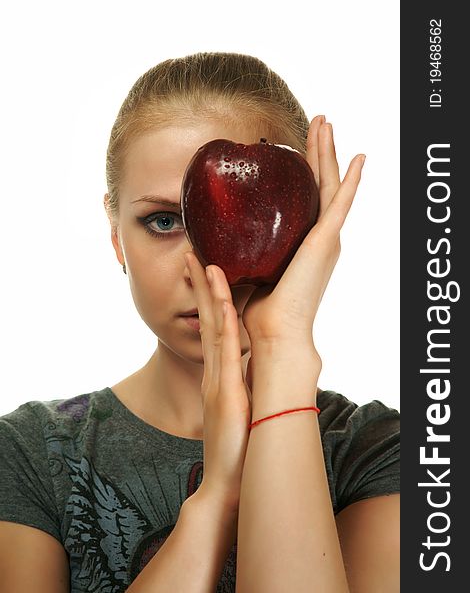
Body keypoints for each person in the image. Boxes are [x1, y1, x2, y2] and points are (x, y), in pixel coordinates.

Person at [0, 51, 400, 592]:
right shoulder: (29, 453)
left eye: (247, 215)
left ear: (309, 227)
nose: (204, 266)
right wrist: (218, 495)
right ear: (117, 235)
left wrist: (280, 353)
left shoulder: (381, 451)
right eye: (163, 221)